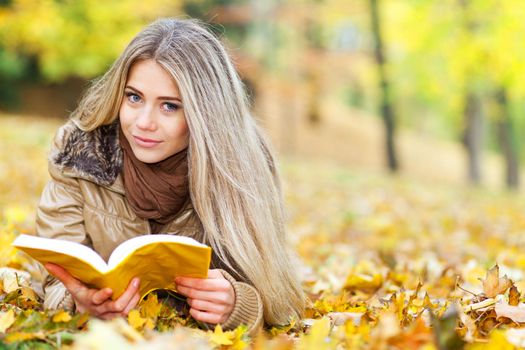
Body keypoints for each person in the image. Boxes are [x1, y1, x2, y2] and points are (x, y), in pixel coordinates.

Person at [36, 18, 304, 334]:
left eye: (169, 106)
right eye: (134, 97)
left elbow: (282, 299)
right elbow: (53, 278)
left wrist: (237, 304)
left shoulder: (243, 164)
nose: (144, 122)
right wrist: (76, 301)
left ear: (206, 113)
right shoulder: (79, 153)